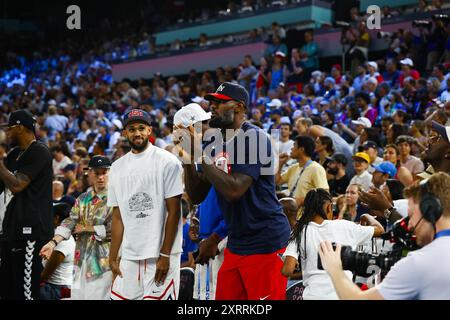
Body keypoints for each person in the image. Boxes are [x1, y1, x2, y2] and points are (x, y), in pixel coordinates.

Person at [182, 82, 290, 300]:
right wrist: (189, 156)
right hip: (237, 242)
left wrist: (200, 156)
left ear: (239, 107)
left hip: (265, 242)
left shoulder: (255, 139)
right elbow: (197, 195)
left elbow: (234, 190)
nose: (212, 106)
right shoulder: (213, 142)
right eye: (212, 101)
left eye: (220, 102)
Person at [319, 172, 450, 299]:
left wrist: (335, 269)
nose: (409, 225)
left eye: (411, 216)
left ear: (431, 209)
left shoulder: (419, 262)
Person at [108, 109, 184, 300]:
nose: (137, 133)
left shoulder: (168, 161)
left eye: (141, 128)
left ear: (150, 130)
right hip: (130, 254)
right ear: (125, 133)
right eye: (132, 129)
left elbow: (174, 211)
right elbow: (118, 216)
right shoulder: (116, 168)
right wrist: (113, 255)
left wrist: (165, 255)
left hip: (160, 253)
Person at [281, 189, 383, 300]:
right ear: (329, 207)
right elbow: (380, 229)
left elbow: (287, 270)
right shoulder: (345, 226)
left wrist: (311, 270)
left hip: (312, 295)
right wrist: (366, 216)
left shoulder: (300, 231)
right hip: (342, 294)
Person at [40, 155, 113, 300]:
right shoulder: (82, 198)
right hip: (80, 263)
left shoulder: (115, 198)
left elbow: (117, 230)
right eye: (96, 173)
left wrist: (88, 228)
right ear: (89, 173)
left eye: (104, 172)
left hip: (103, 264)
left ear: (110, 173)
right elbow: (70, 222)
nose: (100, 177)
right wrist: (52, 242)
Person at [0, 109, 53, 300]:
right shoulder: (14, 154)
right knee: (7, 292)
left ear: (20, 128)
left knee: (26, 294)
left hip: (30, 232)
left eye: (9, 128)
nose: (7, 132)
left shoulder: (39, 151)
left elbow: (17, 185)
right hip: (10, 230)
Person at [276, 136, 329, 208]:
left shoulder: (316, 168)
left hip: (306, 216)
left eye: (294, 145)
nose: (291, 148)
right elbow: (277, 181)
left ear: (301, 149)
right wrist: (280, 164)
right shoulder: (294, 167)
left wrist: (302, 200)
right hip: (291, 214)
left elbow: (324, 196)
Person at [40, 203, 75, 300]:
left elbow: (45, 276)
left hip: (57, 288)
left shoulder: (63, 243)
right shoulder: (59, 238)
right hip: (56, 286)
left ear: (56, 218)